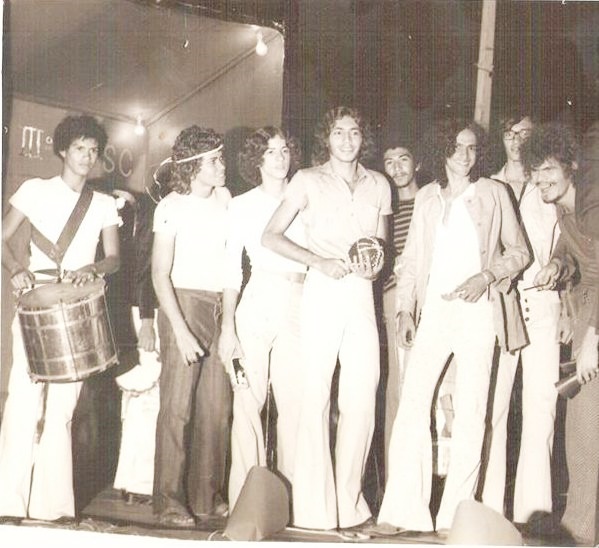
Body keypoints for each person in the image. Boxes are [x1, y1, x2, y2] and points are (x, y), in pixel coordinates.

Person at [376, 118, 529, 535]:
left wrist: (486, 277)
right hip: (435, 313)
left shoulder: (494, 192)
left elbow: (519, 252)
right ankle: (401, 511)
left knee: (471, 411)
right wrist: (405, 310)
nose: (465, 155)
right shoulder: (428, 196)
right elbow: (411, 260)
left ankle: (454, 516)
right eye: (458, 147)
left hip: (478, 313)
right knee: (412, 405)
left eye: (473, 148)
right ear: (442, 149)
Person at [263, 106, 391, 530]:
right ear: (327, 137)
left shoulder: (379, 184)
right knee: (315, 396)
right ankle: (313, 509)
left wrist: (375, 266)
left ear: (363, 138)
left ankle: (349, 505)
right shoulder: (307, 179)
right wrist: (318, 261)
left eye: (354, 132)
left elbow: (382, 246)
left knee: (362, 396)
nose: (347, 139)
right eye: (338, 132)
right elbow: (270, 236)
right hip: (322, 288)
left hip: (362, 294)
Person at [0, 115, 120, 521]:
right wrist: (16, 269)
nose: (87, 156)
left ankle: (52, 508)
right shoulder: (35, 190)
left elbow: (114, 257)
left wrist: (94, 268)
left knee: (63, 410)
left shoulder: (103, 203)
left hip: (79, 307)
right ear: (63, 150)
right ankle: (7, 503)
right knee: (23, 400)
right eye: (80, 148)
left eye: (93, 150)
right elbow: (1, 236)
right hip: (36, 302)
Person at [218, 126, 305, 509]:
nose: (280, 157)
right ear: (256, 159)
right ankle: (246, 500)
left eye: (284, 150)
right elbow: (230, 270)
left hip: (300, 299)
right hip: (258, 299)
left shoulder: (305, 197)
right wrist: (228, 328)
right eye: (270, 151)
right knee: (247, 401)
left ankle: (292, 501)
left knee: (296, 404)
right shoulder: (241, 205)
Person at [482, 112, 562, 523]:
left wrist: (562, 288)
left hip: (542, 302)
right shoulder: (487, 185)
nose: (516, 141)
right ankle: (489, 510)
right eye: (509, 133)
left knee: (541, 408)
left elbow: (566, 242)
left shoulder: (547, 185)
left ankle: (534, 512)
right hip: (500, 305)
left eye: (524, 134)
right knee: (492, 408)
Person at [522, 122, 599, 546]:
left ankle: (580, 531)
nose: (541, 179)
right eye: (535, 171)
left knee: (585, 424)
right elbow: (572, 249)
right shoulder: (563, 205)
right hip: (588, 305)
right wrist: (557, 265)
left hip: (596, 313)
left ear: (571, 166)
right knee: (584, 426)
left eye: (549, 169)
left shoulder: (592, 201)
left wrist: (592, 341)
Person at [151, 126, 232, 527]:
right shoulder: (170, 206)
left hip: (219, 305)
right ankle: (168, 501)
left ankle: (206, 496)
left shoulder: (225, 198)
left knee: (217, 409)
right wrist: (180, 330)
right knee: (177, 409)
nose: (222, 165)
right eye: (214, 160)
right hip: (182, 304)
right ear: (192, 166)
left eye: (221, 157)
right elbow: (159, 274)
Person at [112, 190, 160, 504]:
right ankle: (140, 483)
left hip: (132, 312)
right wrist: (147, 320)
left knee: (137, 399)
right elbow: (145, 268)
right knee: (148, 396)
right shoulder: (149, 212)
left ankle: (130, 480)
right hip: (145, 312)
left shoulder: (133, 212)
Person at [378, 139, 420, 475]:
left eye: (403, 159)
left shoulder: (432, 199)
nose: (397, 168)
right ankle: (395, 475)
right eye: (389, 162)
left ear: (416, 163)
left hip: (431, 296)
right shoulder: (383, 209)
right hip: (395, 298)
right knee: (398, 383)